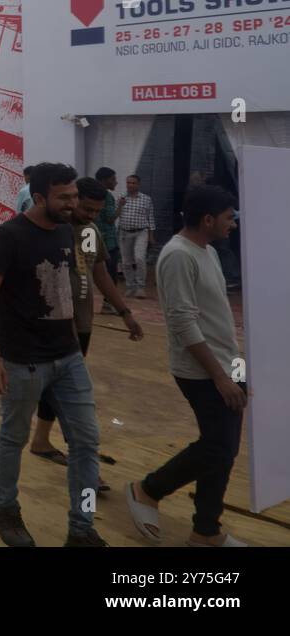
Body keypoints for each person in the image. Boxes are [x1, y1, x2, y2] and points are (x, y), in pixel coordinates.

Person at [0, 162, 105, 547]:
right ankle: (5, 512)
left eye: (74, 196)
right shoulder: (10, 236)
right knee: (13, 437)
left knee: (87, 440)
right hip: (22, 360)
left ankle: (81, 529)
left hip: (67, 358)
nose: (72, 203)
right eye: (64, 197)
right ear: (40, 196)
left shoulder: (67, 231)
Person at [127, 186, 247, 547]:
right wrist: (221, 377)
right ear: (208, 219)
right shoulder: (179, 256)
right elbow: (183, 322)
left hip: (227, 363)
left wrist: (236, 370)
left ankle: (205, 530)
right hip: (201, 370)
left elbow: (214, 316)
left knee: (224, 449)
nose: (234, 225)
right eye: (229, 218)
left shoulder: (205, 250)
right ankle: (147, 490)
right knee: (217, 447)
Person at [29, 177, 142, 469]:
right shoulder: (53, 230)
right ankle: (84, 459)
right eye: (87, 208)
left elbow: (100, 274)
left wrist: (124, 312)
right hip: (54, 323)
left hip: (81, 323)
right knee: (71, 390)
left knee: (59, 387)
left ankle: (41, 440)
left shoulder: (90, 232)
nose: (91, 215)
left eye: (96, 211)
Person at [117, 174, 155, 299]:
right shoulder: (121, 198)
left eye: (133, 183)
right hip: (124, 233)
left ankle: (140, 287)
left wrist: (151, 236)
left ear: (138, 184)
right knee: (126, 262)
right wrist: (120, 205)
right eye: (128, 182)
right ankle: (130, 286)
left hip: (141, 232)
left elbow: (151, 219)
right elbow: (115, 215)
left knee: (139, 258)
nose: (130, 185)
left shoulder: (146, 199)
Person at [93, 167, 122, 312]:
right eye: (113, 179)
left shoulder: (90, 193)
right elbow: (110, 219)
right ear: (104, 180)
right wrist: (121, 207)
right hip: (107, 241)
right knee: (109, 273)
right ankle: (109, 304)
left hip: (92, 237)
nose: (116, 182)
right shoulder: (107, 196)